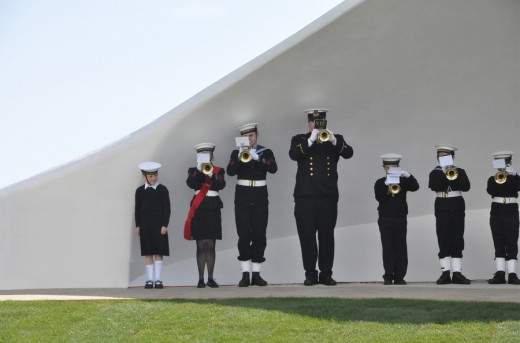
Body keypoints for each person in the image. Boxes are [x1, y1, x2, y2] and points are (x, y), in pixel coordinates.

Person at [289, 108, 353, 286]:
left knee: (327, 236)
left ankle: (326, 273)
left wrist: (333, 139)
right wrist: (311, 139)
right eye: (312, 122)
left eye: (319, 122)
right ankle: (310, 273)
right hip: (305, 196)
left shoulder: (334, 139)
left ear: (325, 122)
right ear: (308, 123)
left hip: (327, 196)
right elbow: (293, 154)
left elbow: (349, 153)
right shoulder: (300, 139)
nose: (315, 125)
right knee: (307, 236)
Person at [226, 123, 278, 287]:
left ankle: (256, 273)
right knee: (243, 235)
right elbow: (230, 172)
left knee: (259, 235)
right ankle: (244, 274)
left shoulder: (265, 152)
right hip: (242, 195)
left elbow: (273, 168)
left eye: (251, 136)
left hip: (260, 195)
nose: (249, 139)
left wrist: (257, 157)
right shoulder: (236, 153)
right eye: (246, 136)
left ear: (257, 135)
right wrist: (242, 155)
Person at [428, 145, 471, 285]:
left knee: (457, 237)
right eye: (440, 156)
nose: (442, 158)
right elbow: (435, 186)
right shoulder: (435, 173)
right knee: (443, 236)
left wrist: (452, 173)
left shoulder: (460, 171)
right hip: (442, 203)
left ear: (452, 157)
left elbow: (466, 187)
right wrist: (445, 172)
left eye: (445, 156)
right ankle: (445, 273)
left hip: (457, 203)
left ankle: (457, 273)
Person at [185, 143, 226, 288]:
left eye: (207, 155)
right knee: (201, 245)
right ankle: (201, 279)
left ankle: (211, 278)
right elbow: (191, 184)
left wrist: (210, 173)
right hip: (199, 208)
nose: (205, 157)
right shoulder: (193, 170)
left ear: (212, 156)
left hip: (213, 208)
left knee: (211, 245)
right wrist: (199, 169)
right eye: (201, 155)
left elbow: (221, 185)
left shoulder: (218, 170)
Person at [374, 154, 419, 285]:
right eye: (388, 167)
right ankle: (388, 275)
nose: (391, 169)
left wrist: (408, 175)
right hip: (385, 218)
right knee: (387, 247)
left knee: (400, 247)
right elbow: (380, 199)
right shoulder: (380, 182)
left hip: (400, 218)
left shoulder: (403, 181)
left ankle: (399, 276)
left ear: (398, 167)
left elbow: (415, 187)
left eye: (394, 167)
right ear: (384, 168)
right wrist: (388, 186)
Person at [135, 161, 171, 289]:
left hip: (159, 225)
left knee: (159, 252)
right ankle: (149, 279)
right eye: (150, 176)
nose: (153, 178)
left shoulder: (162, 189)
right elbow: (137, 209)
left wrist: (164, 225)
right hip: (145, 225)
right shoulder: (139, 191)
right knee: (148, 252)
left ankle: (158, 279)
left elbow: (167, 209)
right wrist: (137, 225)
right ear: (144, 176)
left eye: (155, 175)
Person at [486, 151, 520, 285]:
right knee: (498, 241)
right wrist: (500, 176)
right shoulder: (492, 179)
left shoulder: (515, 178)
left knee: (512, 241)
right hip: (497, 209)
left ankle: (512, 274)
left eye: (505, 162)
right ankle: (500, 273)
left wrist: (514, 174)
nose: (503, 166)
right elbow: (491, 190)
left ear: (510, 162)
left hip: (511, 209)